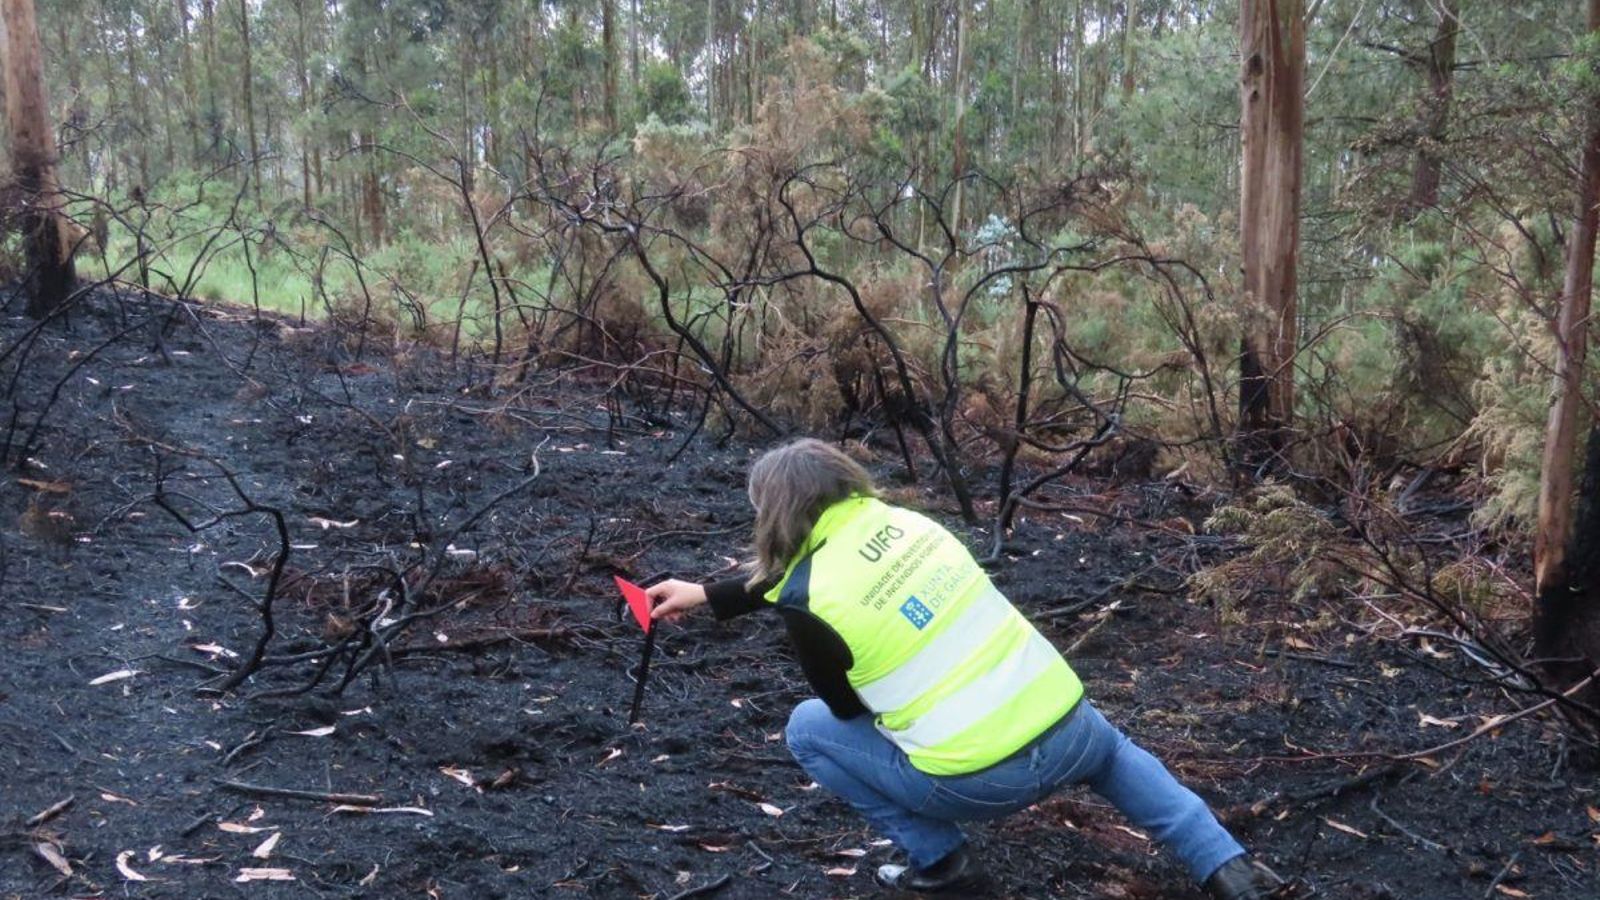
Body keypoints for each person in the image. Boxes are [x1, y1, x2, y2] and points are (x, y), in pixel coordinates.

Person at [647, 439, 1283, 898]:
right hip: (1073, 730)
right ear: (844, 481)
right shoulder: (912, 525)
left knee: (808, 727)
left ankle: (941, 860)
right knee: (1114, 753)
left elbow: (847, 711)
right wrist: (708, 593)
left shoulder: (809, 603)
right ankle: (1228, 867)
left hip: (982, 784)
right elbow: (815, 575)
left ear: (775, 513)